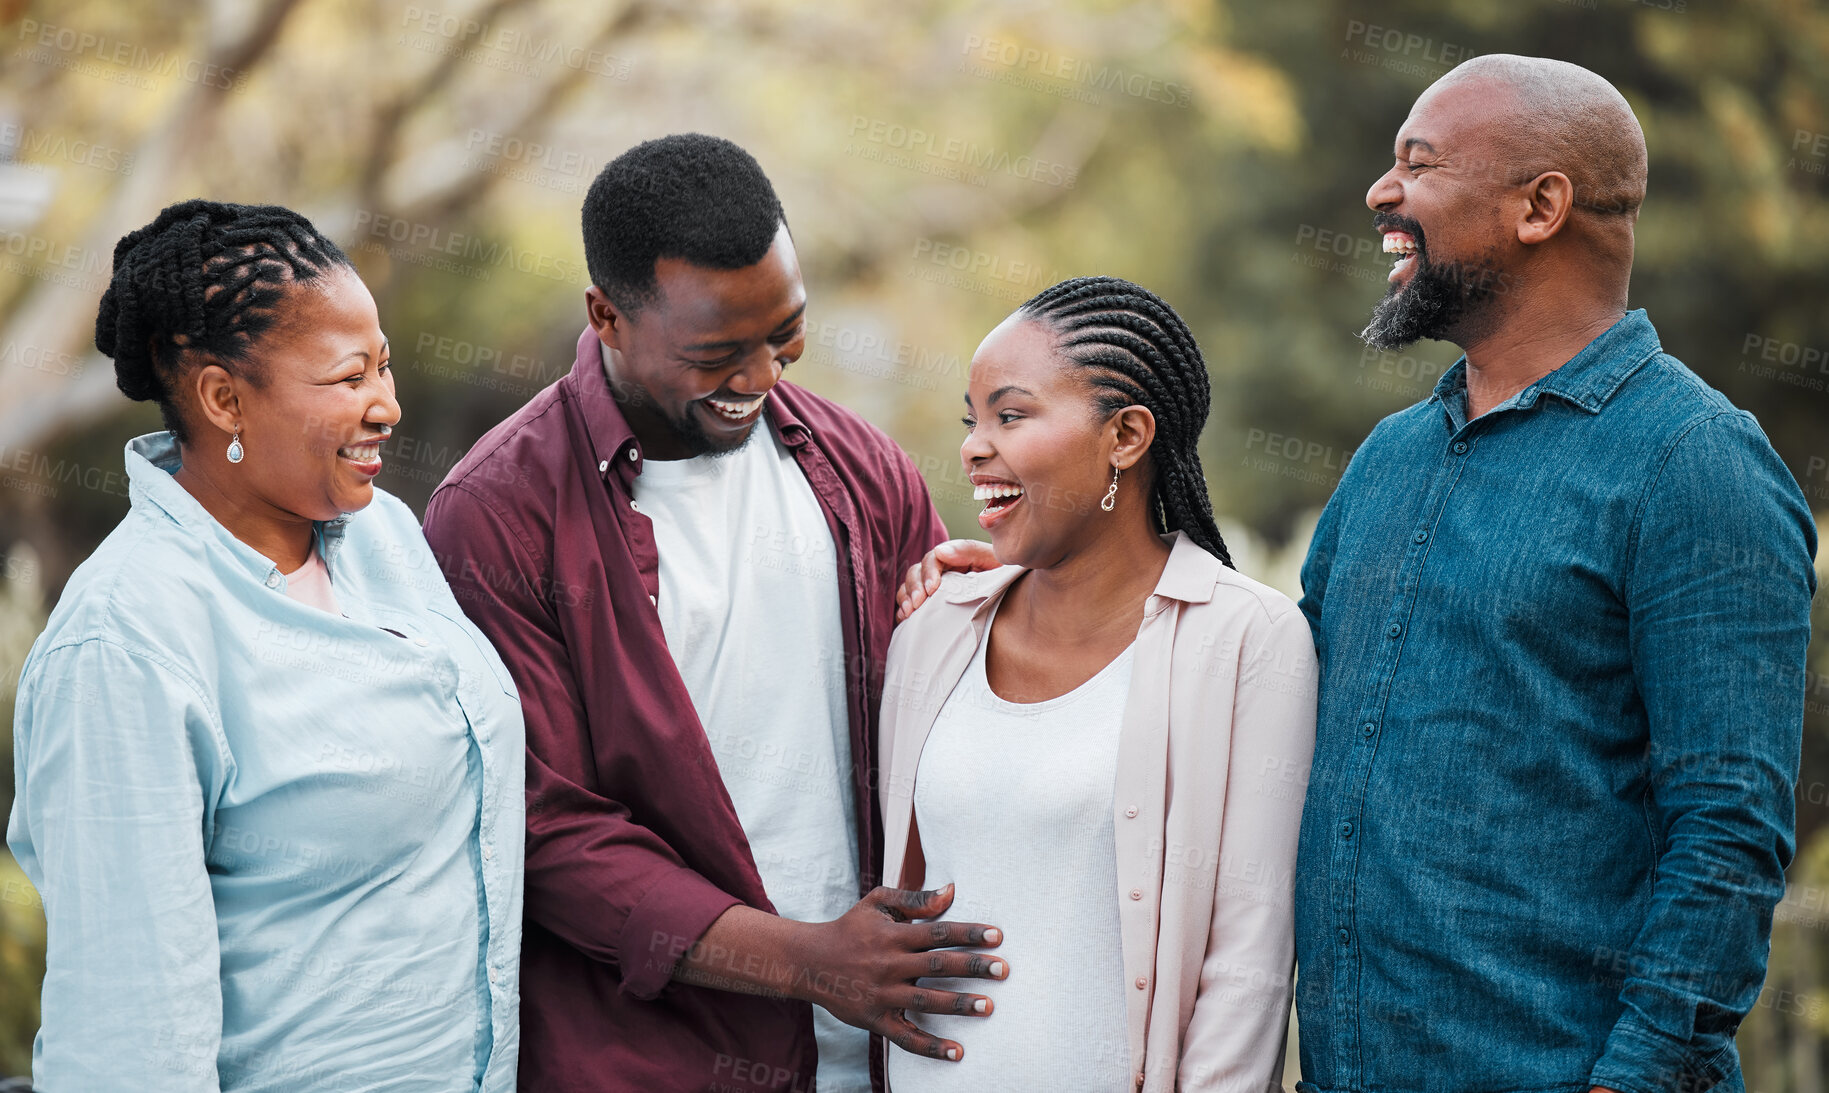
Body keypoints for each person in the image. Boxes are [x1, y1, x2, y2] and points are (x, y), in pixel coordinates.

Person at [421, 134, 1004, 1093]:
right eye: (717, 353)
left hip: (886, 1059)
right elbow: (546, 830)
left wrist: (980, 616)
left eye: (785, 333)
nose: (763, 376)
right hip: (646, 1062)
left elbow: (943, 743)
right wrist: (810, 961)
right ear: (606, 316)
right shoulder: (496, 513)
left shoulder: (865, 470)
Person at [1290, 56, 1817, 1092]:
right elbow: (1266, 694)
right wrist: (1021, 594)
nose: (1378, 193)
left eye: (1417, 163)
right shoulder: (1387, 458)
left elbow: (1729, 829)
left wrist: (1634, 1077)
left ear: (1538, 206)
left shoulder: (1692, 459)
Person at [6, 200, 524, 1092]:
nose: (387, 405)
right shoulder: (124, 646)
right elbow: (128, 1043)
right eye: (349, 377)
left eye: (387, 367)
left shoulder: (385, 537)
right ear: (223, 397)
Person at [877, 276, 1316, 1092]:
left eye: (1010, 415)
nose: (974, 445)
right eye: (971, 421)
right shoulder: (933, 630)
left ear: (1126, 435)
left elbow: (1248, 961)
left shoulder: (1247, 639)